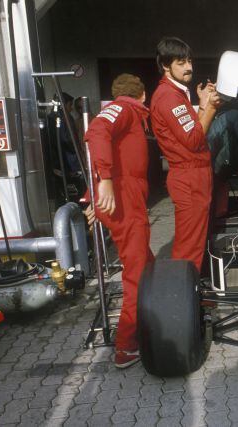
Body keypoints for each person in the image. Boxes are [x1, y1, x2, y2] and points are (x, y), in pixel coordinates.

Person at [84, 73, 154, 368]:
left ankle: (148, 325)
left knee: (147, 266)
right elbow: (96, 131)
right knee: (137, 275)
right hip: (125, 200)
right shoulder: (125, 109)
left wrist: (92, 195)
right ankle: (126, 346)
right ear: (143, 95)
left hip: (124, 198)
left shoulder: (128, 113)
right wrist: (105, 182)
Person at [150, 37, 220, 272]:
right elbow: (193, 139)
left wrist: (202, 105)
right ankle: (182, 299)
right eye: (181, 63)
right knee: (189, 247)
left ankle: (189, 296)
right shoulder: (169, 96)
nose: (189, 67)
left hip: (194, 175)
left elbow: (191, 130)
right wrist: (211, 107)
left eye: (189, 61)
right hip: (189, 177)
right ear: (166, 66)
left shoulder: (177, 93)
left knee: (195, 243)